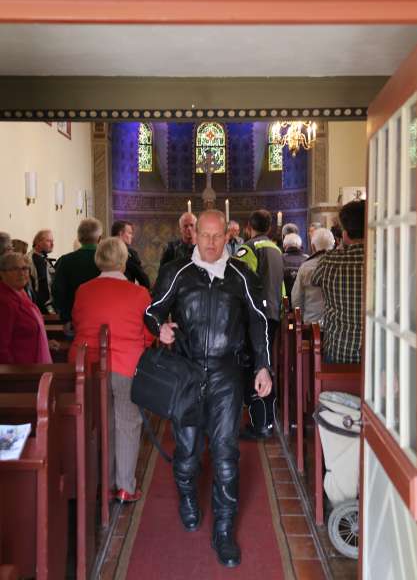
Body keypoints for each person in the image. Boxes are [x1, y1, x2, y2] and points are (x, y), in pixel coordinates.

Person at [144, 210, 271, 568]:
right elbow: (152, 311)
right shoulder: (176, 273)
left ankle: (225, 530)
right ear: (195, 235)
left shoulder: (241, 276)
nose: (212, 243)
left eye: (218, 236)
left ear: (228, 235)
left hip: (226, 376)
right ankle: (187, 498)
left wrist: (264, 365)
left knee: (226, 455)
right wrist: (160, 329)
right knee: (186, 451)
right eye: (205, 235)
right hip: (185, 374)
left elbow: (259, 323)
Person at [70, 237, 154, 503]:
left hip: (89, 367)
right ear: (123, 260)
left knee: (100, 423)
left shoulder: (83, 290)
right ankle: (125, 486)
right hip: (126, 366)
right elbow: (148, 333)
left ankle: (103, 483)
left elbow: (77, 320)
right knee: (127, 423)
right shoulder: (138, 293)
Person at [235, 209, 283, 440]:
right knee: (265, 365)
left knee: (252, 367)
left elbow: (237, 279)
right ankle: (268, 421)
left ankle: (260, 424)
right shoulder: (275, 248)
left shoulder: (249, 248)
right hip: (272, 314)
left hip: (253, 317)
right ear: (270, 228)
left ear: (248, 227)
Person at [311, 200, 365, 363]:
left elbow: (315, 280)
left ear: (344, 233)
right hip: (376, 354)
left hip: (338, 351)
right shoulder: (387, 259)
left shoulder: (329, 260)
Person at [0, 252, 52, 363]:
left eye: (25, 268)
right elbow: (2, 346)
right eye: (15, 269)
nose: (21, 273)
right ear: (2, 273)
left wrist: (45, 342)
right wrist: (13, 376)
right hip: (19, 371)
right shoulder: (3, 301)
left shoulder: (21, 293)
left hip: (31, 364)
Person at [52, 218, 103, 325]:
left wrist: (65, 317)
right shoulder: (106, 260)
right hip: (102, 317)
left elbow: (57, 290)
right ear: (99, 238)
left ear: (79, 239)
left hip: (74, 318)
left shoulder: (65, 260)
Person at [291, 227, 335, 323]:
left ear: (313, 246)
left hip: (311, 324)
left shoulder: (305, 267)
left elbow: (296, 299)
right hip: (335, 324)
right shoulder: (339, 265)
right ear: (333, 245)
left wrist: (301, 321)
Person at [111, 220, 150, 289]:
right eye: (129, 233)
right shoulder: (130, 254)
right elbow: (144, 281)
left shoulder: (104, 251)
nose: (132, 236)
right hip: (125, 293)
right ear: (120, 233)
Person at [27, 229, 56, 314]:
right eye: (48, 241)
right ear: (38, 242)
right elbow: (41, 287)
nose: (52, 244)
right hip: (42, 308)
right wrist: (48, 309)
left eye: (52, 241)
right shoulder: (33, 259)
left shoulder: (42, 258)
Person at [282, 233, 309, 307]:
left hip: (284, 303)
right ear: (299, 245)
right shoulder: (307, 259)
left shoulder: (279, 259)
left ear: (284, 246)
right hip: (303, 304)